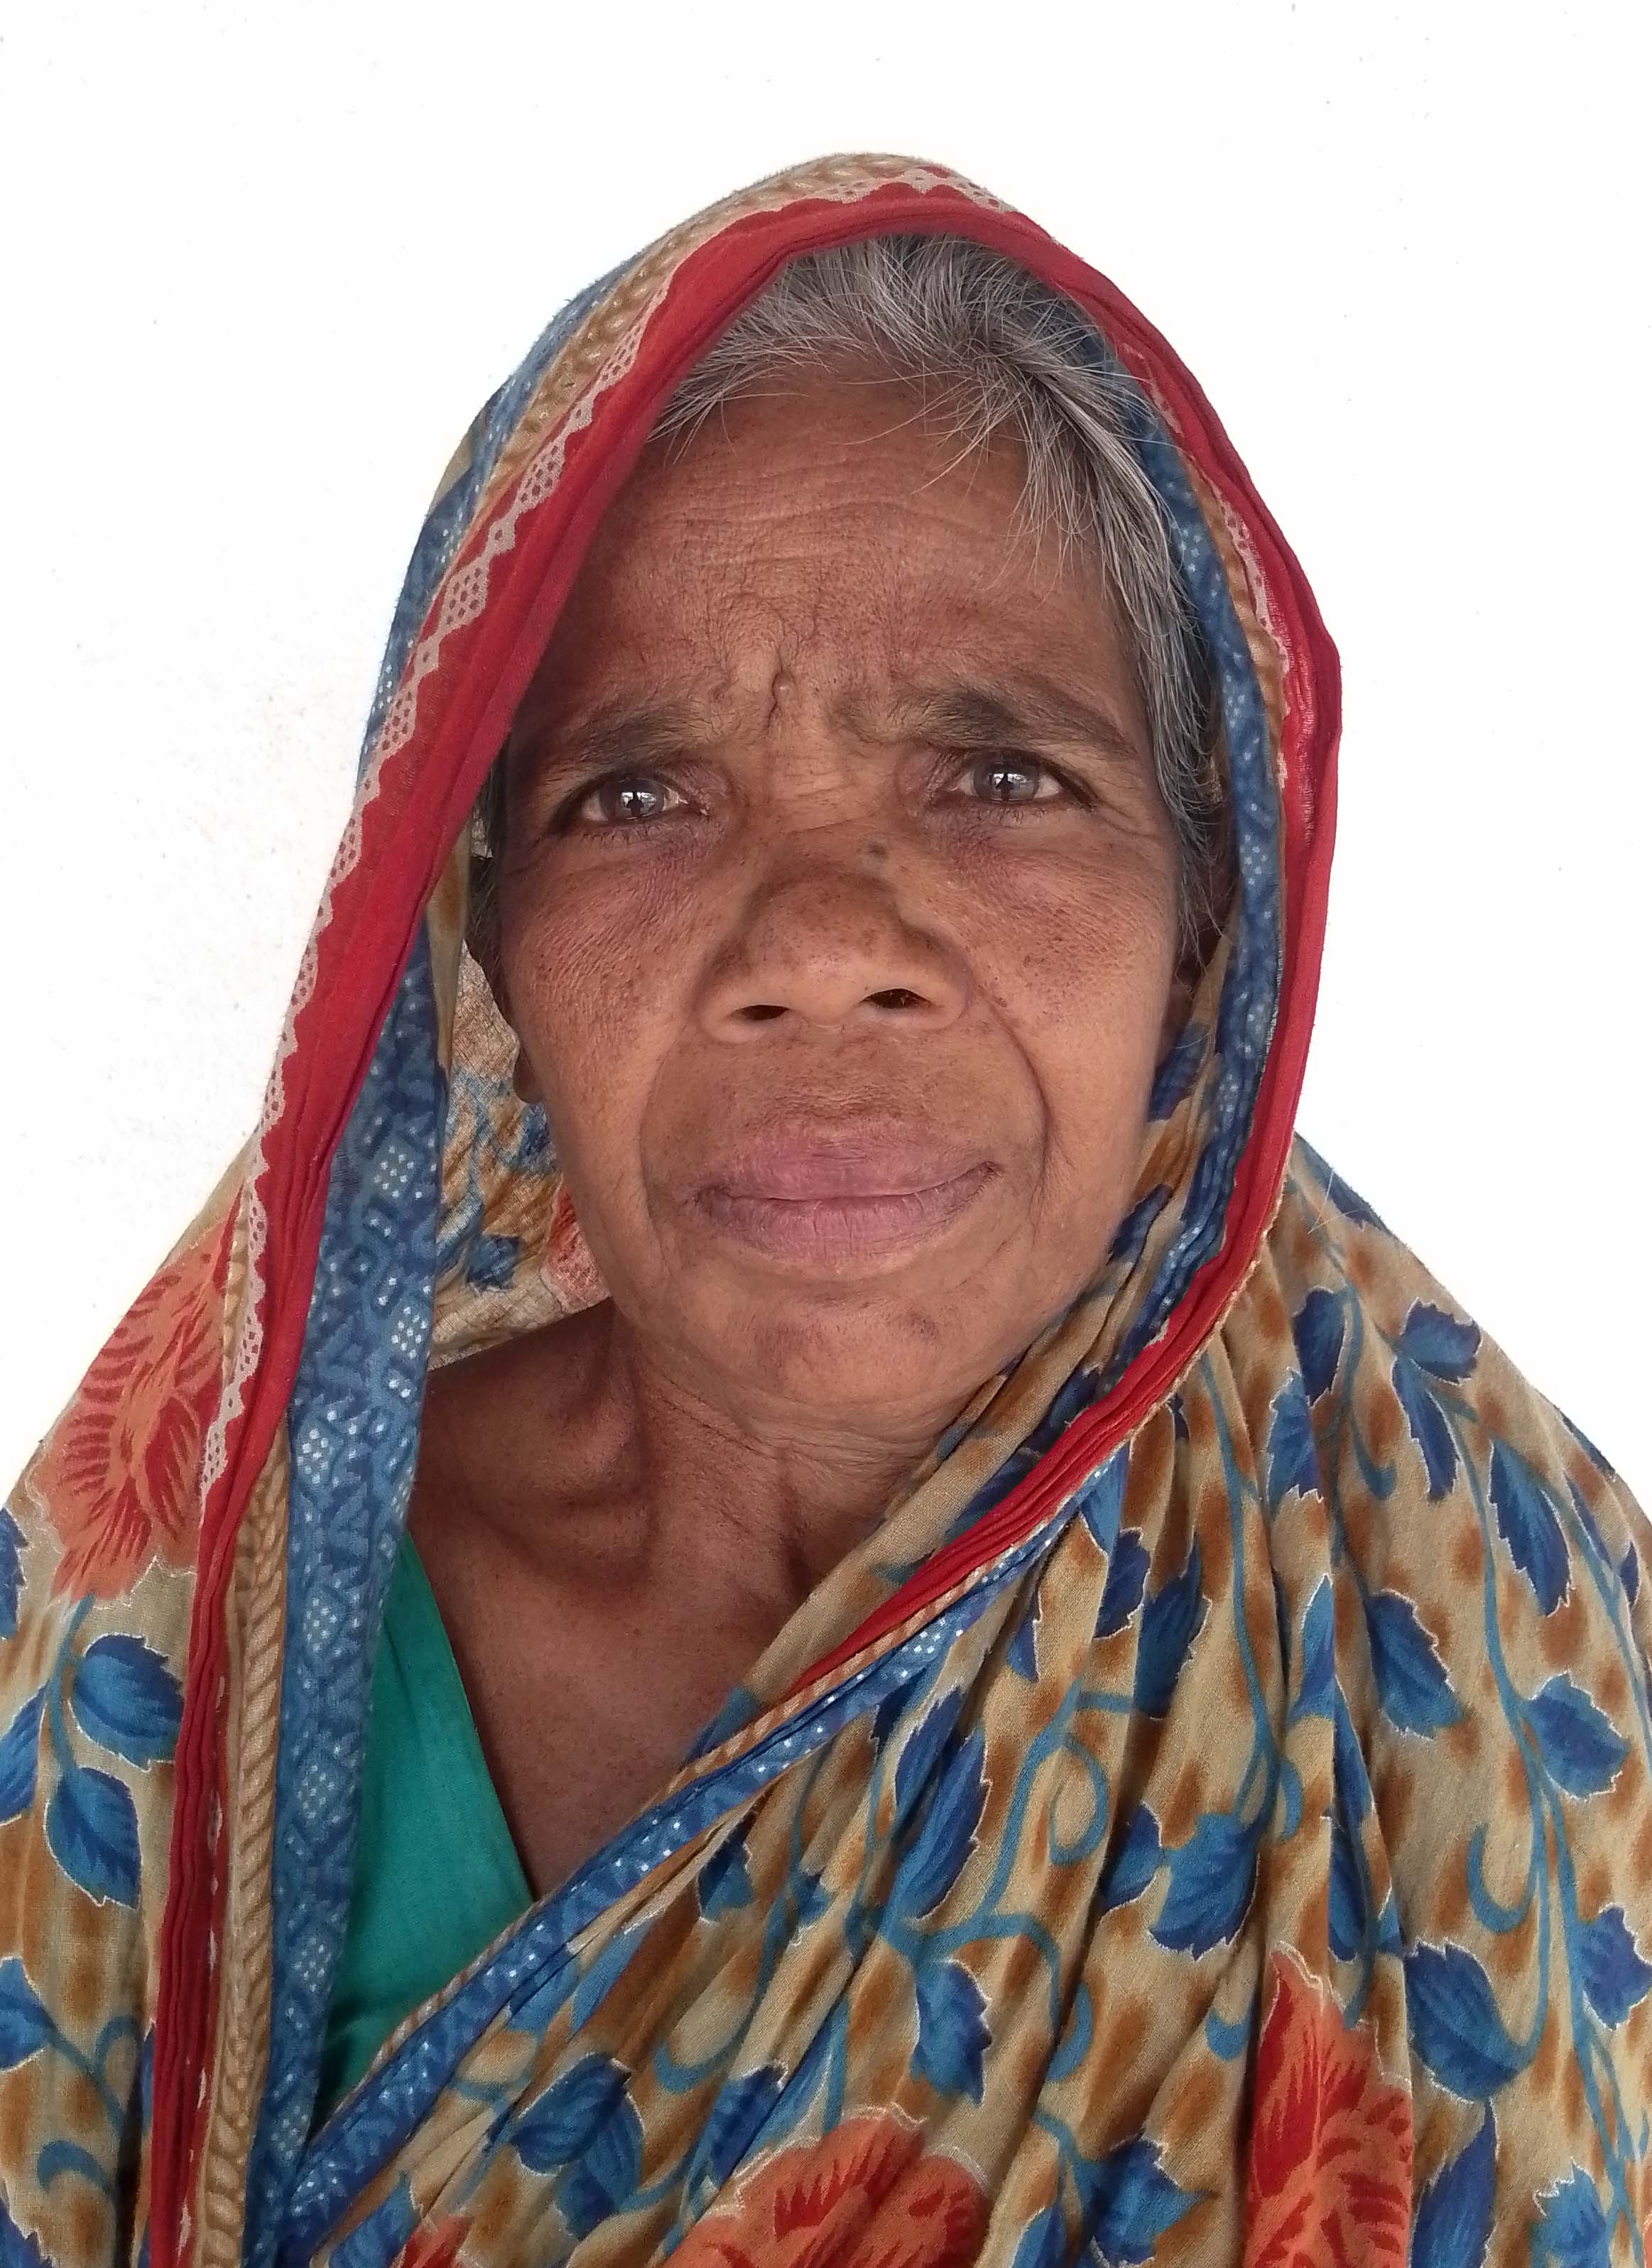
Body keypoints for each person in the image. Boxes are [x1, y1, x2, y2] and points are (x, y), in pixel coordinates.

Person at [2, 153, 1646, 2268]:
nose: (819, 941)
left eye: (1001, 777)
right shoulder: (184, 1628)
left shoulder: (1470, 1621)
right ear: (482, 952)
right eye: (636, 796)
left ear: (1207, 920)